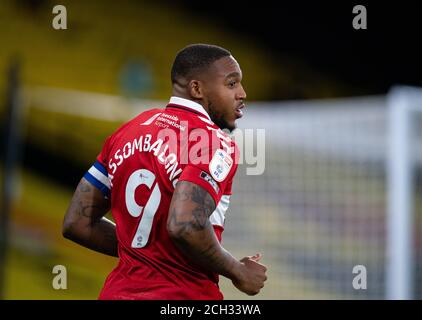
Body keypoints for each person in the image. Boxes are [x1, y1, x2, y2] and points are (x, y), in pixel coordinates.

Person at [62, 44, 267, 300]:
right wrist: (238, 271)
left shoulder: (129, 130)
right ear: (197, 89)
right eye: (232, 84)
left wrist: (143, 252)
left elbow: (76, 223)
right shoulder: (214, 142)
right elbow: (184, 225)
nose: (242, 93)